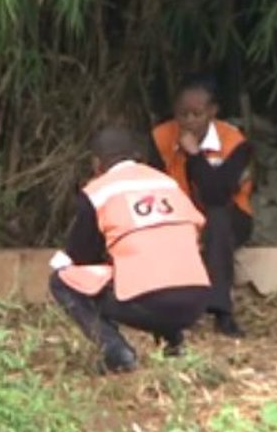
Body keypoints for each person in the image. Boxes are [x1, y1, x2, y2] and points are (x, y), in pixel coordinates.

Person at [49, 128, 212, 373]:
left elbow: (80, 258)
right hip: (196, 299)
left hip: (150, 301)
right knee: (157, 267)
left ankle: (117, 352)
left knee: (62, 280)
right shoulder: (166, 182)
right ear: (137, 156)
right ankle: (174, 342)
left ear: (96, 163)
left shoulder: (99, 192)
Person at [149, 74, 254, 337]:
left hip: (230, 216)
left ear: (212, 112)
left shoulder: (235, 143)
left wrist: (194, 155)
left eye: (196, 114)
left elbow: (217, 194)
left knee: (218, 219)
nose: (188, 121)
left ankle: (221, 311)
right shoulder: (161, 137)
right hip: (176, 215)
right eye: (182, 114)